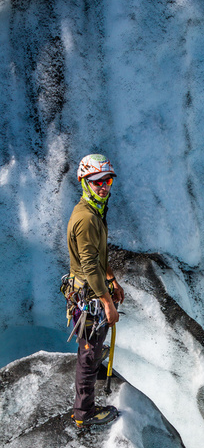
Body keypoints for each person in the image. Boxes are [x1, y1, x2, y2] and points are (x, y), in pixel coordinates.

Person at [65, 154, 125, 428]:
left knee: (93, 345)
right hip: (89, 295)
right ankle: (84, 413)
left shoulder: (95, 211)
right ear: (85, 182)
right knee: (89, 352)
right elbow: (89, 265)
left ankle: (95, 370)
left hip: (94, 290)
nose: (103, 186)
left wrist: (112, 280)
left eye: (107, 181)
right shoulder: (86, 218)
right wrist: (107, 302)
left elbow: (99, 256)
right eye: (97, 182)